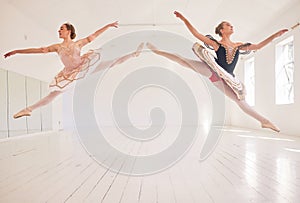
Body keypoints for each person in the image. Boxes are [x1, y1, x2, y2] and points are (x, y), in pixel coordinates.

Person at [146, 11, 288, 132]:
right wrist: (184, 20)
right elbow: (196, 34)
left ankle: (264, 121)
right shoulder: (216, 44)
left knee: (240, 100)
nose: (231, 26)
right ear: (221, 30)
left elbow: (258, 46)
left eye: (231, 25)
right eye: (228, 25)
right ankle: (157, 51)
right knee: (183, 61)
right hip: (213, 72)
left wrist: (275, 35)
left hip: (229, 78)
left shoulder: (239, 46)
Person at [4, 21, 144, 119]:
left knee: (110, 63)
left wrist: (107, 26)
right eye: (59, 29)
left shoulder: (79, 43)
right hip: (69, 74)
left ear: (69, 31)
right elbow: (39, 50)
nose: (59, 31)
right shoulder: (57, 47)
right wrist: (17, 51)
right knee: (53, 95)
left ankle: (134, 54)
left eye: (62, 29)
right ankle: (28, 109)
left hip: (84, 66)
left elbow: (94, 35)